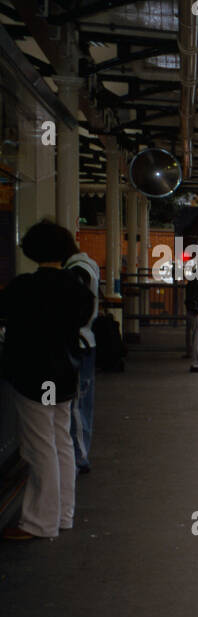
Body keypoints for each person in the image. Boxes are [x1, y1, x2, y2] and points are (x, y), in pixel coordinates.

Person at [0, 220, 95, 540]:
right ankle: (63, 514)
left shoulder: (23, 287)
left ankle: (40, 522)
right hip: (63, 376)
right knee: (61, 442)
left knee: (40, 448)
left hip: (34, 376)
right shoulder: (76, 288)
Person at [64, 247, 99, 473]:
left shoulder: (76, 271)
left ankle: (78, 455)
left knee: (75, 404)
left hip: (76, 344)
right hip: (88, 342)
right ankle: (81, 451)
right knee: (83, 402)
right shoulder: (91, 267)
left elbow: (74, 311)